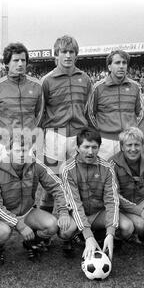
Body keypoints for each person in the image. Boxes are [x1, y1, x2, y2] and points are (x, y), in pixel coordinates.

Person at [0, 136, 68, 264]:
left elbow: (57, 186)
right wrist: (19, 225)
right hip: (4, 216)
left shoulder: (35, 165)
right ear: (9, 150)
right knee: (3, 232)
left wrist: (63, 211)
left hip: (27, 212)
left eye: (25, 151)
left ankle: (32, 241)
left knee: (52, 225)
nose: (21, 155)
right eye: (18, 151)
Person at [61, 127, 134, 261]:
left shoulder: (107, 168)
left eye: (94, 147)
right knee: (65, 231)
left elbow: (112, 201)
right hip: (77, 214)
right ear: (77, 148)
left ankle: (106, 238)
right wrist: (87, 234)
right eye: (86, 147)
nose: (90, 152)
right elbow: (75, 204)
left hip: (99, 213)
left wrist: (111, 232)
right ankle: (77, 237)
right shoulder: (67, 169)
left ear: (99, 148)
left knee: (127, 227)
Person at [39, 35, 93, 213]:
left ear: (76, 55)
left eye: (71, 52)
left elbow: (88, 110)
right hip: (54, 136)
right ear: (56, 54)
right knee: (51, 184)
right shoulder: (47, 81)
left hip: (78, 136)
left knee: (77, 183)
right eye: (63, 52)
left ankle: (74, 228)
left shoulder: (84, 79)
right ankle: (43, 236)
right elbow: (40, 112)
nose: (68, 55)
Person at [0, 42, 44, 163]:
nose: (20, 64)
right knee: (3, 180)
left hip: (29, 145)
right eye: (16, 60)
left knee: (29, 181)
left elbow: (39, 114)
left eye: (23, 60)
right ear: (7, 63)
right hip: (4, 146)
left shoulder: (37, 86)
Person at [87, 50, 144, 160]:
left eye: (124, 63)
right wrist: (101, 130)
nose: (121, 66)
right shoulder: (98, 87)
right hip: (105, 142)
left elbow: (140, 112)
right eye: (117, 63)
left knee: (127, 175)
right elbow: (90, 114)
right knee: (104, 175)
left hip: (128, 141)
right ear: (109, 67)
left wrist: (131, 130)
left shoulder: (135, 87)